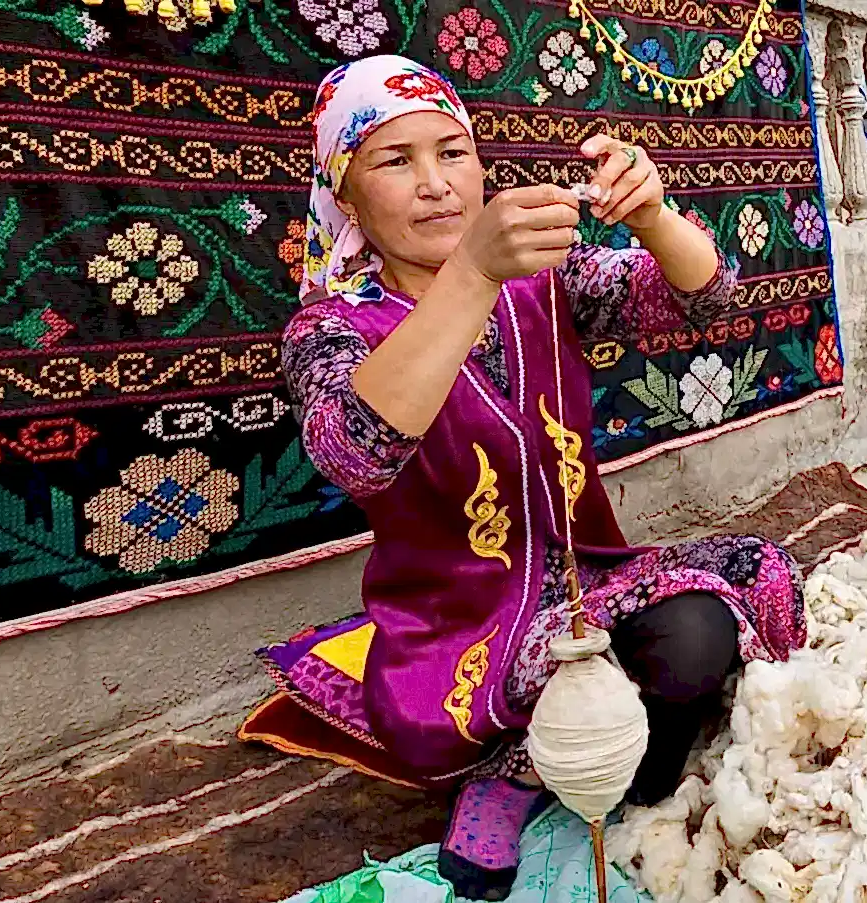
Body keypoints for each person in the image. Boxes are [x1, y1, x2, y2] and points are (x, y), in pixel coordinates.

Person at [265, 55, 806, 900]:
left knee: (702, 629)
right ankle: (514, 773)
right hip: (454, 622)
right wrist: (471, 275)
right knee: (576, 704)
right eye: (394, 161)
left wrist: (655, 214)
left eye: (451, 152)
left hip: (579, 581)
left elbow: (707, 299)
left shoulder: (543, 281)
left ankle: (556, 760)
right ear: (345, 192)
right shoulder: (331, 328)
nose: (437, 184)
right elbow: (352, 454)